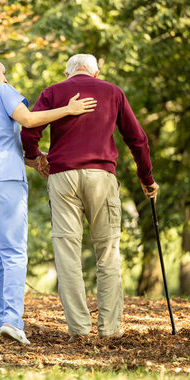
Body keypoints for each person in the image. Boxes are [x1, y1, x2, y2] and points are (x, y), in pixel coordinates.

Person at [0, 55, 96, 345]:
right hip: (3, 178)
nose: (6, 77)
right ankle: (12, 321)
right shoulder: (3, 91)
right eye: (3, 72)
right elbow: (29, 120)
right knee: (14, 252)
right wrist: (68, 109)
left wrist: (28, 159)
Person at [21, 54, 159, 342]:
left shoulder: (53, 92)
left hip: (62, 178)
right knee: (107, 253)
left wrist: (36, 160)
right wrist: (147, 179)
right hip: (101, 176)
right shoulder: (112, 92)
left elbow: (29, 130)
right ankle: (109, 330)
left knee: (67, 253)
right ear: (96, 73)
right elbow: (138, 140)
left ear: (68, 72)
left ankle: (79, 331)